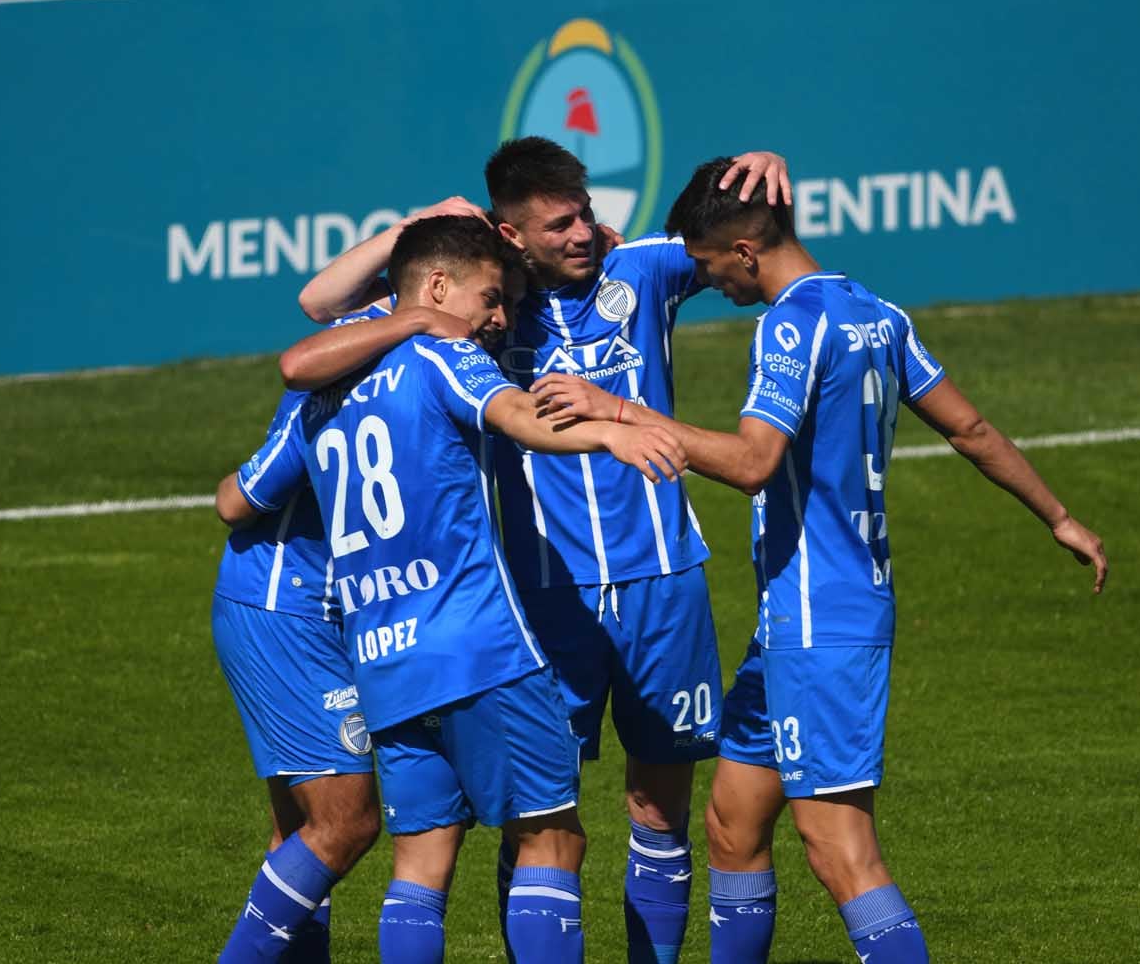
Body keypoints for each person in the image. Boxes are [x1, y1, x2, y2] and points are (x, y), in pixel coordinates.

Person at [532, 156, 1109, 963]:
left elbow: (751, 462)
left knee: (839, 849)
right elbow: (971, 429)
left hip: (821, 620)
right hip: (794, 626)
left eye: (705, 266)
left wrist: (618, 408)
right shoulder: (876, 311)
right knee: (733, 821)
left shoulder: (790, 325)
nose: (708, 285)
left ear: (741, 251)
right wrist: (1059, 515)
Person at [291, 141, 790, 964]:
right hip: (540, 598)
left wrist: (766, 166)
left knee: (659, 805)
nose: (583, 234)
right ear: (511, 236)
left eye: (585, 213)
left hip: (662, 579)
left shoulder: (647, 273)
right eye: (558, 224)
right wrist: (413, 227)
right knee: (532, 821)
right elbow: (321, 303)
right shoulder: (488, 304)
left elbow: (752, 251)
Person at [209, 325, 394, 962]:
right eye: (492, 297)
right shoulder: (342, 374)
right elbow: (235, 500)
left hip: (337, 612)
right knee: (346, 822)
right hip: (287, 610)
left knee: (300, 831)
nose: (502, 317)